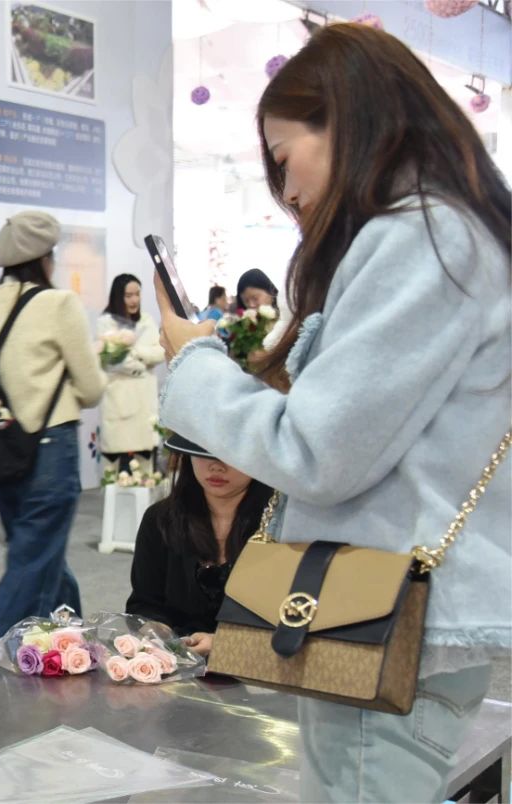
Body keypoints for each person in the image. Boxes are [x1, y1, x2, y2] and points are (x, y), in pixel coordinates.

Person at [155, 24, 510, 803]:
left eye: (285, 158)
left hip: (378, 618)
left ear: (345, 121)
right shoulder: (450, 230)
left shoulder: (423, 235)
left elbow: (318, 448)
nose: (285, 191)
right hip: (389, 611)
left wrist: (194, 363)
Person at [0, 210, 107, 648]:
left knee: (43, 556)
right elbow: (91, 388)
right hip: (50, 448)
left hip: (1, 451)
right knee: (33, 564)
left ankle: (72, 648)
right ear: (46, 256)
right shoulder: (57, 304)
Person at [125, 434, 272, 655]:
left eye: (229, 454)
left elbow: (293, 616)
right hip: (177, 664)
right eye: (202, 452)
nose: (216, 466)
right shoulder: (161, 519)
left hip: (261, 668)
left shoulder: (281, 525)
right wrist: (156, 630)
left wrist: (225, 643)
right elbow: (145, 602)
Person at [96, 274, 164, 470]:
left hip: (145, 404)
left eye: (137, 294)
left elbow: (160, 351)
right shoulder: (106, 322)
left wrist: (136, 351)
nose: (134, 300)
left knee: (145, 468)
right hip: (120, 401)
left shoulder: (147, 320)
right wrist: (143, 361)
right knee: (116, 470)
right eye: (128, 295)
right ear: (118, 296)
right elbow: (113, 359)